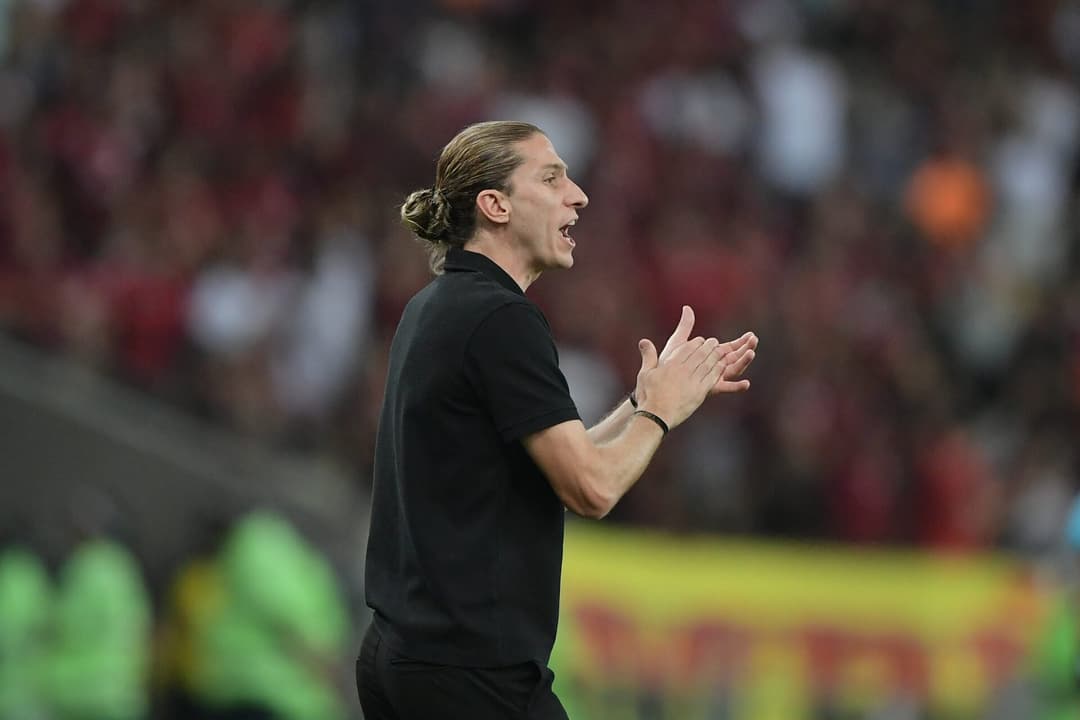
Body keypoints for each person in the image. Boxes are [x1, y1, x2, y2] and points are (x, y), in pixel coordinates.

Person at [357, 120, 758, 719]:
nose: (579, 195)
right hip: (471, 674)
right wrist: (659, 413)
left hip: (402, 657)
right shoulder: (502, 319)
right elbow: (591, 489)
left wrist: (643, 399)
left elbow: (558, 468)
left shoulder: (435, 305)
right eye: (551, 179)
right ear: (495, 205)